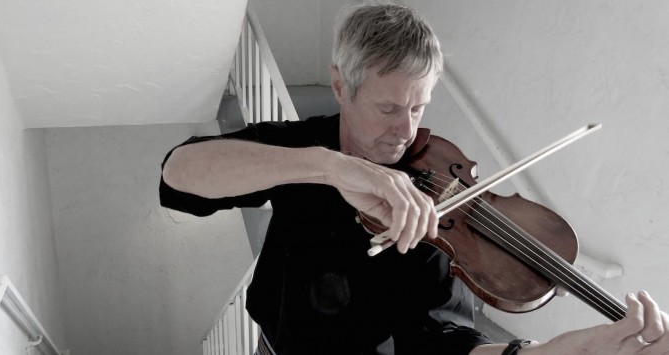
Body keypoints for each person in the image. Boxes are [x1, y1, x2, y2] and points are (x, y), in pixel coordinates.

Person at [160, 2, 668, 354]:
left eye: (420, 105)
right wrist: (330, 165)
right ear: (339, 85)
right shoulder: (304, 145)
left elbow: (445, 342)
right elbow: (179, 173)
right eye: (388, 107)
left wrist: (559, 351)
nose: (406, 131)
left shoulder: (440, 198)